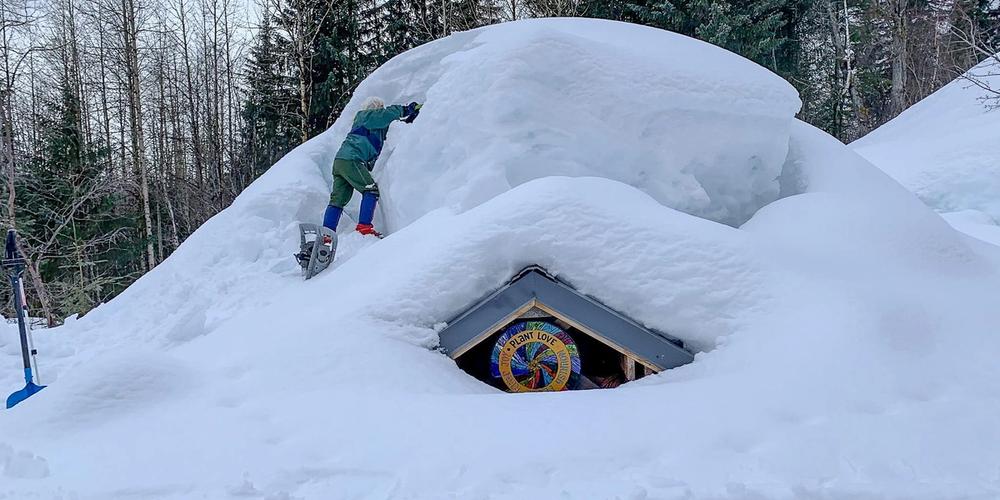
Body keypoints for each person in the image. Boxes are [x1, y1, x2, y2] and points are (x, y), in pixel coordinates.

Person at [322, 97, 421, 239]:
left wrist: (409, 119)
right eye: (380, 107)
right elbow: (386, 114)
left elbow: (387, 123)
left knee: (338, 200)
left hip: (341, 161)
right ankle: (364, 227)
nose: (382, 109)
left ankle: (326, 235)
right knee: (370, 189)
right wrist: (406, 109)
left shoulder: (371, 123)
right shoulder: (366, 116)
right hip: (352, 160)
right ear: (376, 108)